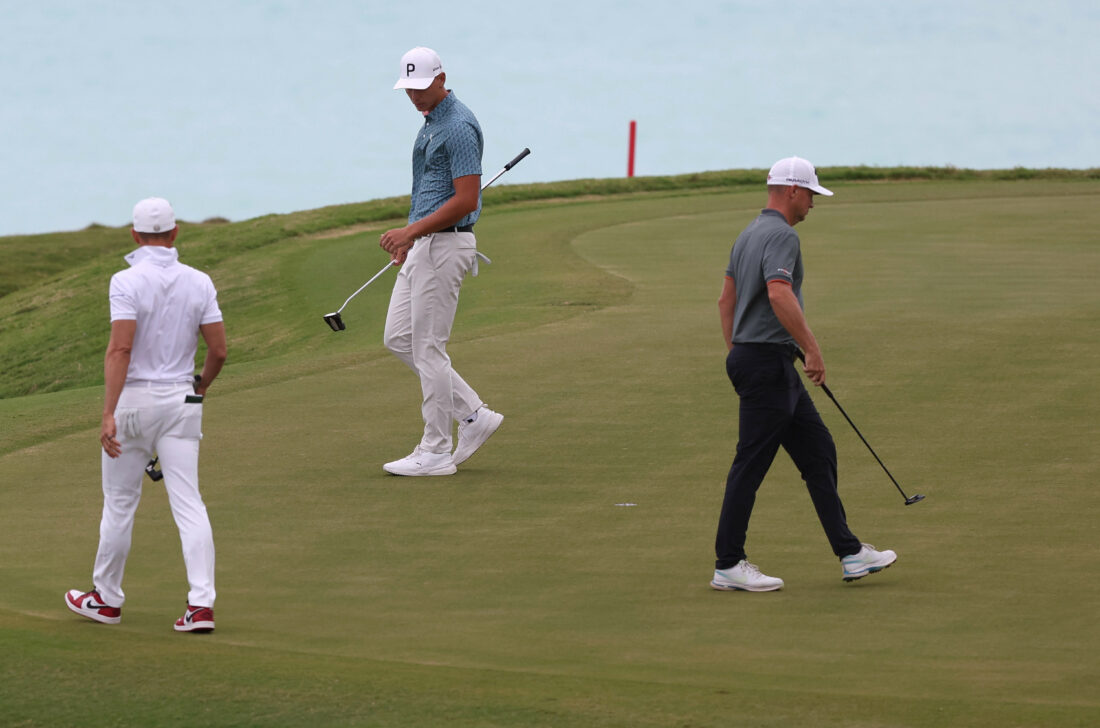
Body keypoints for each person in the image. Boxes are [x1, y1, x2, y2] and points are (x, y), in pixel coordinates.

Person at [710, 157, 897, 592]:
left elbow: (725, 301)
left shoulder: (748, 234)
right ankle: (728, 563)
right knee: (750, 465)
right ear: (792, 190)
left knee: (818, 450)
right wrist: (811, 348)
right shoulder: (781, 236)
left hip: (761, 361)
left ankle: (850, 553)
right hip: (767, 364)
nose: (813, 203)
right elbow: (778, 293)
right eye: (811, 194)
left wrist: (738, 352)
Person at [65, 197, 227, 631]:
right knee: (189, 502)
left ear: (135, 235)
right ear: (175, 233)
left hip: (135, 403)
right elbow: (218, 350)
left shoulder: (125, 280)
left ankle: (106, 600)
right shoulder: (200, 281)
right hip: (181, 402)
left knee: (120, 503)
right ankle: (201, 606)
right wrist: (202, 386)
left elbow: (120, 348)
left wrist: (107, 413)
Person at [378, 46, 503, 477]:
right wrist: (411, 237)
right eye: (407, 88)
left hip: (445, 245)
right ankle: (473, 415)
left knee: (429, 349)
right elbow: (432, 190)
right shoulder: (431, 122)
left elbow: (466, 198)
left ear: (440, 78)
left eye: (420, 86)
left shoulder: (459, 126)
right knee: (399, 338)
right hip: (424, 245)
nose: (413, 95)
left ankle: (435, 450)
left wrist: (411, 232)